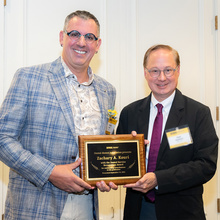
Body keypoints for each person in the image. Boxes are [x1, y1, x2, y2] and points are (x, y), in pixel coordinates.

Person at [0, 10, 117, 220]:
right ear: (62, 37)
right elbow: (2, 139)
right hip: (36, 206)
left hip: (86, 206)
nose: (82, 42)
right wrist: (50, 172)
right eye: (74, 34)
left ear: (98, 45)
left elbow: (104, 144)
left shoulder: (107, 90)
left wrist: (111, 169)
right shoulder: (28, 78)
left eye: (89, 37)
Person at [117, 44, 218, 220]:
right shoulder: (129, 113)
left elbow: (206, 165)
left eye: (168, 70)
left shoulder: (198, 113)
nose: (162, 78)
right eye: (155, 71)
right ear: (145, 73)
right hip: (138, 210)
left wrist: (159, 179)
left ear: (178, 71)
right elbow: (118, 161)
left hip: (182, 212)